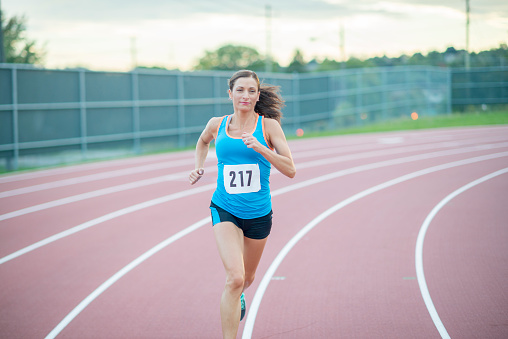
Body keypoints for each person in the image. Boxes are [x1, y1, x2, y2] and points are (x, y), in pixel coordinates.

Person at [189, 70, 296, 338]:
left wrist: (261, 148)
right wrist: (199, 167)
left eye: (251, 91)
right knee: (235, 278)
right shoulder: (217, 124)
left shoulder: (268, 126)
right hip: (224, 208)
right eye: (240, 90)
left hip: (259, 214)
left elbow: (291, 169)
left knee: (247, 279)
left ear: (258, 95)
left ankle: (240, 296)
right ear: (230, 94)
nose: (245, 95)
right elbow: (202, 142)